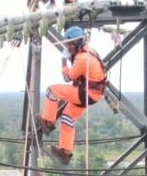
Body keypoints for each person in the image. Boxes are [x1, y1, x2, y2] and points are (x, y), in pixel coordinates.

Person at [39, 26, 106, 164]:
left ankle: (48, 121)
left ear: (75, 43)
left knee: (52, 90)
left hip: (85, 93)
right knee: (68, 117)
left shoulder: (82, 58)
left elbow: (67, 77)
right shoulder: (90, 52)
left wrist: (64, 61)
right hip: (93, 94)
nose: (68, 47)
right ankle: (66, 151)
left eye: (69, 44)